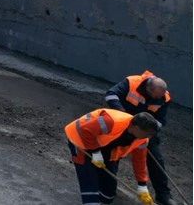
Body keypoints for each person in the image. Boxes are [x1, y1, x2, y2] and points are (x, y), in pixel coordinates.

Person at [106, 71, 174, 205]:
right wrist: (126, 118)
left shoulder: (164, 97)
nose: (158, 99)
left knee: (156, 159)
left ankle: (163, 194)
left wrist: (148, 131)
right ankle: (107, 185)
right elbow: (111, 95)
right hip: (124, 125)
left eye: (159, 97)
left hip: (146, 130)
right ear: (148, 89)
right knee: (113, 154)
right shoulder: (131, 82)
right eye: (155, 96)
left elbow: (160, 120)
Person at [65, 109, 159, 205]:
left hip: (103, 148)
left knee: (108, 192)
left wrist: (142, 185)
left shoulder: (142, 139)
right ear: (137, 128)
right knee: (89, 181)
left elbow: (139, 161)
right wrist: (95, 152)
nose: (149, 137)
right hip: (80, 139)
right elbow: (85, 130)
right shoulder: (112, 121)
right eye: (148, 134)